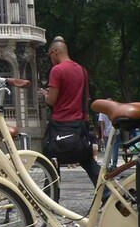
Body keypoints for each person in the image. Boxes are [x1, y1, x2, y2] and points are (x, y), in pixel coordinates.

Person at [39, 37, 99, 184]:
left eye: (50, 56)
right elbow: (85, 98)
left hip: (61, 124)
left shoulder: (57, 70)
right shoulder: (82, 70)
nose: (50, 59)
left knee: (51, 163)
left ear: (54, 52)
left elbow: (51, 100)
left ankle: (51, 198)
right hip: (80, 126)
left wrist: (45, 95)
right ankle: (107, 194)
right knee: (87, 160)